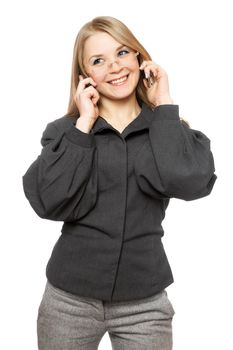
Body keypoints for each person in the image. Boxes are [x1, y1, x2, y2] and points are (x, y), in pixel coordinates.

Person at [22, 16, 217, 350]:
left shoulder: (166, 127)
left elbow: (192, 182)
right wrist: (84, 125)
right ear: (85, 77)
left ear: (139, 59)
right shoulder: (66, 132)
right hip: (69, 301)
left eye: (122, 52)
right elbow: (48, 200)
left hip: (145, 304)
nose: (114, 67)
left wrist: (164, 104)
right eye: (98, 61)